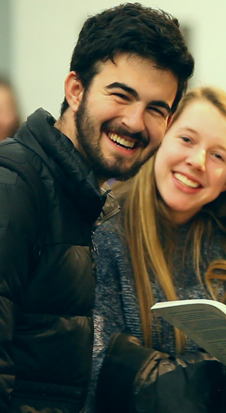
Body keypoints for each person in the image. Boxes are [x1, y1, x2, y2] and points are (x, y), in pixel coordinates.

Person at [0, 3, 193, 412]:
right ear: (75, 89)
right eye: (121, 95)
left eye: (157, 109)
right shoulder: (14, 186)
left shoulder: (85, 199)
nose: (136, 122)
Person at [90, 86, 226, 412]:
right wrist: (207, 375)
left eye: (218, 155)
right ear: (161, 138)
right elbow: (95, 366)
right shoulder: (103, 235)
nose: (197, 161)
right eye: (186, 139)